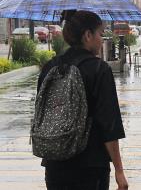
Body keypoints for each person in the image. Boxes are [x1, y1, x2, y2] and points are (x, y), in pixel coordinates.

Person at [37, 10, 128, 190]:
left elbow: (41, 113)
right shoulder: (99, 69)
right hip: (90, 166)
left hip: (55, 164)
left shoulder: (50, 67)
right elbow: (109, 125)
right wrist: (119, 170)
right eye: (100, 34)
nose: (102, 40)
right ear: (88, 35)